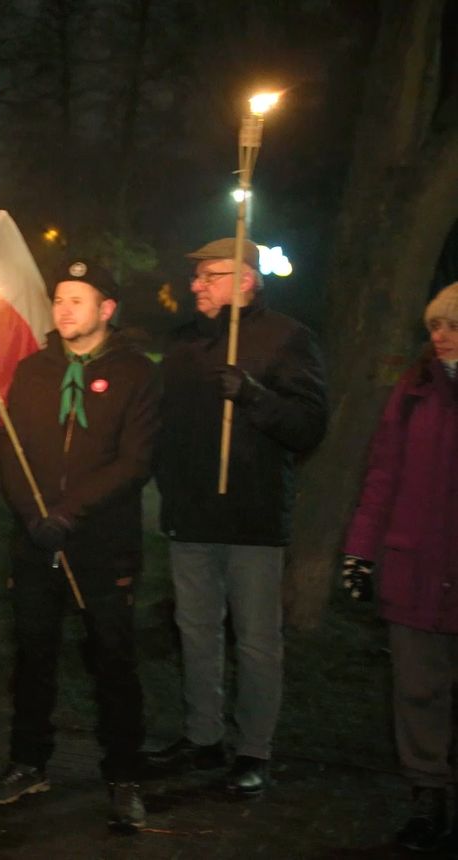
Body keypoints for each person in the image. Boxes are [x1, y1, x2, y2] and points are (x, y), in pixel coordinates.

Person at [0, 261, 157, 831]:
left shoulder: (135, 373)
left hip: (102, 543)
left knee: (112, 660)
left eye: (78, 300)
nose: (64, 309)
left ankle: (124, 772)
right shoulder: (33, 370)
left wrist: (68, 513)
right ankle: (29, 761)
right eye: (59, 298)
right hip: (36, 542)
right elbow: (11, 449)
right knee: (33, 657)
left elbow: (135, 460)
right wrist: (34, 516)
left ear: (107, 309)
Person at [147, 238, 327, 797]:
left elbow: (308, 427)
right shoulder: (185, 345)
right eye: (197, 276)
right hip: (191, 516)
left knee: (254, 641)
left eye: (209, 276)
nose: (196, 285)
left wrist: (253, 397)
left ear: (246, 279)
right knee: (195, 633)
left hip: (252, 518)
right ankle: (203, 738)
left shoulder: (287, 338)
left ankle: (254, 750)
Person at [341, 281, 458, 853]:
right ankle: (427, 798)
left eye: (453, 326)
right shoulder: (413, 393)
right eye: (434, 325)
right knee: (417, 691)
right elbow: (382, 474)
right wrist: (361, 550)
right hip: (414, 566)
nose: (440, 337)